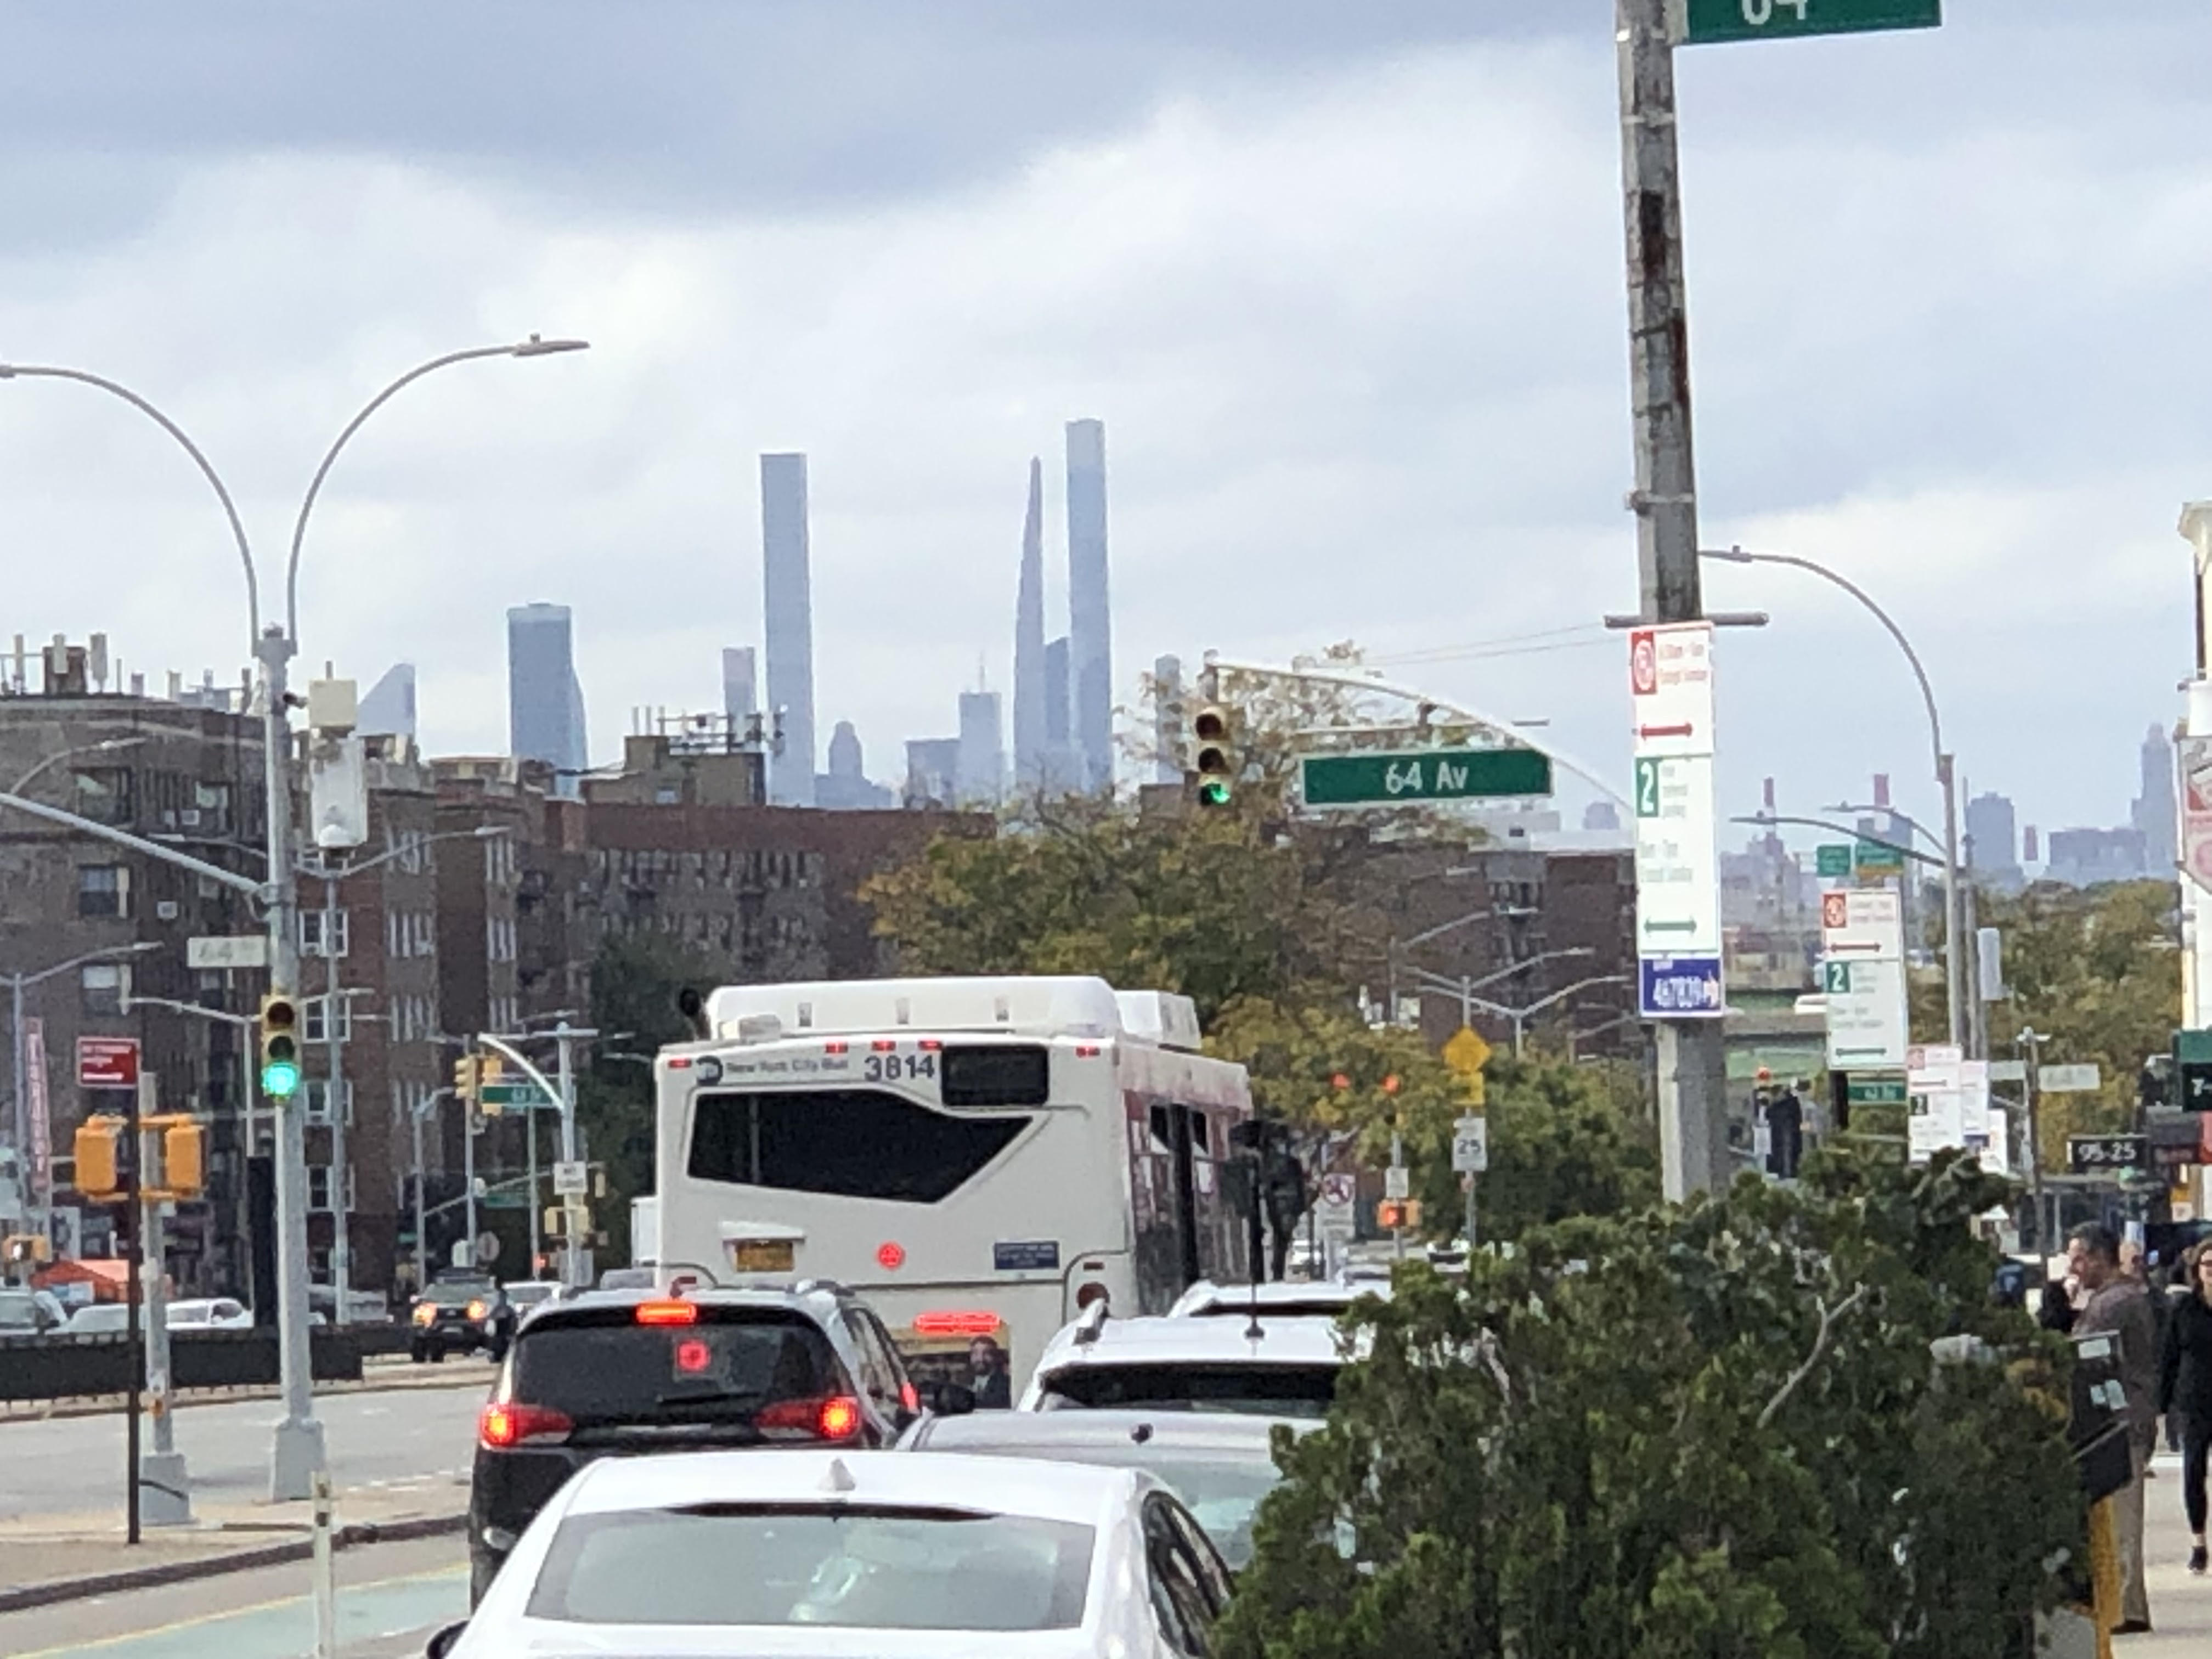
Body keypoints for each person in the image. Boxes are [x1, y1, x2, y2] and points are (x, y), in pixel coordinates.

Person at [2072, 1222, 2160, 1633]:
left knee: (2120, 1519)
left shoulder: (2111, 1305)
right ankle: (2128, 1602)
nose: (2073, 1267)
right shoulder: (2126, 1297)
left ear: (2099, 1257)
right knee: (2122, 1518)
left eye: (2078, 1257)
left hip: (2119, 1422)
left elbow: (2084, 1354)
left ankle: (2126, 1605)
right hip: (2132, 1417)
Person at [2158, 1242, 2212, 1576]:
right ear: (2197, 1269)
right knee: (2193, 1472)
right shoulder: (2184, 1309)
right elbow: (2169, 1358)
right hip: (2194, 1401)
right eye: (2207, 1263)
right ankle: (2199, 1542)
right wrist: (2163, 1406)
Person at [968, 1337, 1012, 1409]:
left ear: (996, 1357)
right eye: (975, 1353)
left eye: (986, 1353)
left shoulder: (1005, 1384)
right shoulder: (964, 1383)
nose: (980, 1359)